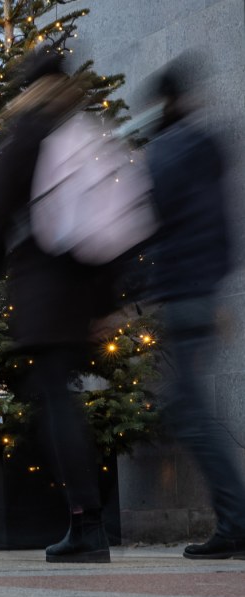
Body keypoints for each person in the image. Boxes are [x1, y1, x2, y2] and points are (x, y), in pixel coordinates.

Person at [0, 51, 112, 563]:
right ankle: (86, 520)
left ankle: (85, 523)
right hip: (75, 295)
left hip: (44, 295)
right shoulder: (76, 129)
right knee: (56, 400)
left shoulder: (27, 133)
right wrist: (102, 302)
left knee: (52, 406)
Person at [145, 57, 245, 560]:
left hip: (183, 295)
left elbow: (151, 227)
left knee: (190, 413)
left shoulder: (165, 151)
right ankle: (236, 519)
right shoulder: (207, 147)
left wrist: (146, 290)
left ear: (165, 102)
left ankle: (236, 521)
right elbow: (225, 231)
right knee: (194, 409)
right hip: (203, 292)